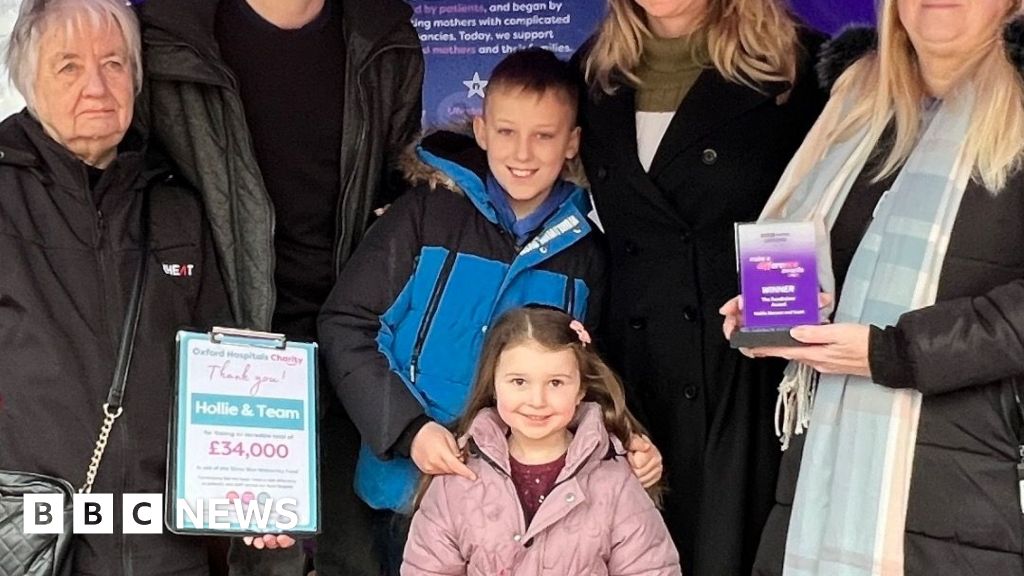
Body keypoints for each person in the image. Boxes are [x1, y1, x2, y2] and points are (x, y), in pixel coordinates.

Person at [318, 48, 662, 575]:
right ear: (480, 130)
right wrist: (410, 432)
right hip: (406, 492)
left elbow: (593, 375)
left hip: (529, 515)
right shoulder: (425, 213)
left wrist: (630, 440)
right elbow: (347, 325)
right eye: (506, 131)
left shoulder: (587, 253)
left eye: (545, 136)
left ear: (572, 143)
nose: (523, 152)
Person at [721, 1, 1024, 574]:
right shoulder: (857, 102)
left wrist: (894, 353)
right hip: (821, 481)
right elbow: (806, 253)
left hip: (977, 490)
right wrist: (773, 314)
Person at [133, 0, 425, 573]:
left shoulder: (383, 34)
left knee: (355, 557)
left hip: (354, 353)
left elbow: (402, 189)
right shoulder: (166, 34)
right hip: (217, 365)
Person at [572, 2, 826, 574]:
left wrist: (802, 306)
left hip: (748, 370)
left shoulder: (797, 65)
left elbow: (832, 207)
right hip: (630, 375)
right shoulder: (595, 71)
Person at [0, 0, 229, 574]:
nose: (98, 87)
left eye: (115, 63)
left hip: (168, 546)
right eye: (69, 66)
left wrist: (254, 495)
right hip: (34, 547)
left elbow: (222, 364)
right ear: (28, 79)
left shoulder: (176, 203)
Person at [401, 306, 681, 576]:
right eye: (519, 382)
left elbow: (650, 568)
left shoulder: (616, 482)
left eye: (556, 383)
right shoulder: (458, 479)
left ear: (581, 389)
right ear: (494, 384)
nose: (537, 401)